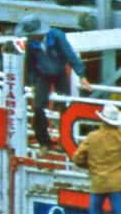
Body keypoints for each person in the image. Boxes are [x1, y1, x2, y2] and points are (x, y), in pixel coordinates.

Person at [18, 14, 91, 150]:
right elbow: (30, 63)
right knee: (39, 107)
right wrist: (33, 82)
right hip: (43, 74)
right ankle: (44, 143)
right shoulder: (31, 43)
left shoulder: (57, 36)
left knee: (64, 106)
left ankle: (64, 140)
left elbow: (70, 55)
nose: (30, 37)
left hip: (60, 73)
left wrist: (81, 75)